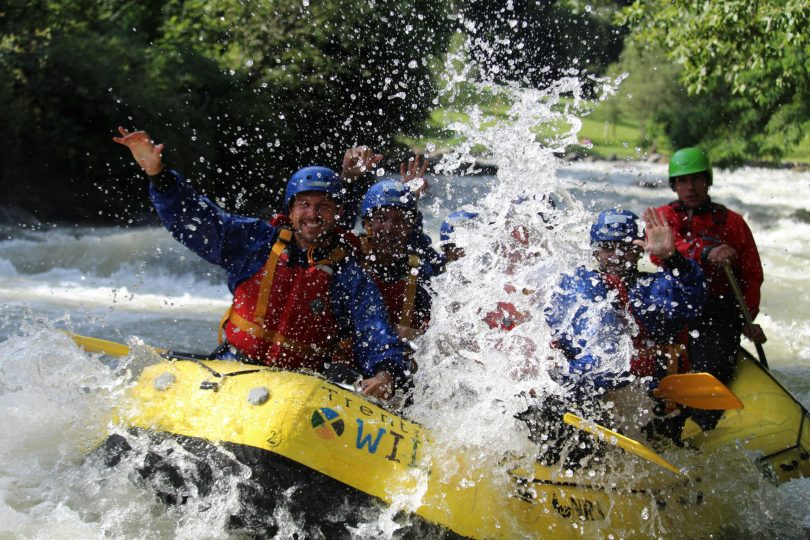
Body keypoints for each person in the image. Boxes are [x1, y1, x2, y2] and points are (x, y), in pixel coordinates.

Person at [113, 127, 411, 400]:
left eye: (324, 207)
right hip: (232, 367)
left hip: (299, 386)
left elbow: (374, 330)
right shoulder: (255, 242)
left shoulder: (348, 274)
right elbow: (196, 218)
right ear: (290, 210)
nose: (313, 214)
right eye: (304, 204)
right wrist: (157, 174)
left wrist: (386, 372)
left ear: (337, 214)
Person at [545, 208, 706, 409]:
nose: (615, 256)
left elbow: (693, 300)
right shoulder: (577, 285)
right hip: (583, 381)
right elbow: (548, 326)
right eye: (607, 247)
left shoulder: (653, 288)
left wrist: (673, 258)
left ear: (639, 249)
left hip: (641, 390)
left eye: (624, 247)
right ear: (594, 251)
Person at [654, 148, 765, 428]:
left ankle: (703, 425)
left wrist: (746, 317)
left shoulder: (733, 223)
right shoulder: (663, 217)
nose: (689, 188)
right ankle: (661, 420)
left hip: (719, 310)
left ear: (707, 181)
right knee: (658, 364)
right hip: (676, 307)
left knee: (711, 369)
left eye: (696, 180)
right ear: (674, 186)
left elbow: (751, 275)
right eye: (682, 181)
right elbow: (660, 253)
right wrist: (705, 253)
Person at [357, 178, 433, 342]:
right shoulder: (351, 257)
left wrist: (415, 335)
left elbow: (435, 328)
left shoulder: (420, 270)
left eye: (399, 221)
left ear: (410, 227)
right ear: (367, 223)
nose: (389, 229)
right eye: (382, 219)